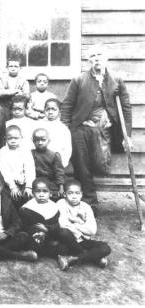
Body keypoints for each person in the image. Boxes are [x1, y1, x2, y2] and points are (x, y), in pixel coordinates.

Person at [61, 45, 132, 210]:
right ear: (88, 60)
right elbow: (67, 106)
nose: (97, 58)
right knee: (81, 164)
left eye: (100, 55)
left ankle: (88, 196)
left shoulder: (116, 80)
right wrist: (65, 130)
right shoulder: (79, 80)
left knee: (100, 164)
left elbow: (126, 108)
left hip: (104, 129)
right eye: (93, 55)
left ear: (106, 58)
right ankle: (89, 202)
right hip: (79, 128)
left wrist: (126, 135)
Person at [56, 179, 111, 271]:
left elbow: (92, 230)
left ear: (81, 194)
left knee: (106, 248)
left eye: (77, 193)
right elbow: (62, 224)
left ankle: (74, 259)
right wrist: (81, 231)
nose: (74, 196)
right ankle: (95, 257)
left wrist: (75, 223)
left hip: (82, 241)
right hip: (70, 240)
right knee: (63, 235)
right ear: (65, 194)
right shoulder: (61, 203)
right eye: (70, 193)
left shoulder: (86, 207)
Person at [19, 178, 65, 258]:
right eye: (38, 191)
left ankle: (48, 250)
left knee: (63, 247)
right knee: (33, 243)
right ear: (33, 193)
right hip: (34, 236)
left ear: (50, 193)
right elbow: (25, 226)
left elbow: (56, 224)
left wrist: (47, 230)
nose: (41, 194)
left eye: (45, 191)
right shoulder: (27, 207)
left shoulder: (54, 207)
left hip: (49, 235)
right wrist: (37, 233)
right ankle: (36, 251)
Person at [0, 125, 35, 206]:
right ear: (5, 138)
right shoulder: (2, 152)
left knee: (29, 197)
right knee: (12, 198)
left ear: (21, 138)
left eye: (16, 138)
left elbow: (30, 169)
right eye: (10, 138)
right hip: (9, 184)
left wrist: (29, 186)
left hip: (25, 182)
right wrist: (13, 187)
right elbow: (5, 171)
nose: (13, 141)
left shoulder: (26, 151)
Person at [31, 128, 65, 201]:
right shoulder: (30, 154)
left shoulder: (54, 155)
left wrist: (61, 188)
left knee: (55, 196)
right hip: (34, 182)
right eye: (37, 140)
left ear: (48, 141)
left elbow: (59, 173)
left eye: (43, 140)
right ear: (33, 141)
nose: (40, 142)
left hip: (50, 183)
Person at [40, 98, 72, 168]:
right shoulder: (39, 126)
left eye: (53, 109)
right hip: (41, 162)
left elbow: (67, 149)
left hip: (57, 163)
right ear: (44, 111)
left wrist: (62, 164)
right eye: (47, 109)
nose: (50, 112)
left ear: (59, 111)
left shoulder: (63, 129)